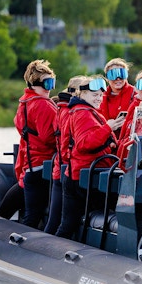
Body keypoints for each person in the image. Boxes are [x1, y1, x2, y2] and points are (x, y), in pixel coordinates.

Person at [55, 76, 124, 240]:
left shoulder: (85, 112)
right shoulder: (83, 114)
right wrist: (109, 127)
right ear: (82, 94)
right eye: (94, 95)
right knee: (67, 225)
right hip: (83, 179)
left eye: (101, 95)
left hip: (81, 176)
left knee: (68, 224)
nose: (99, 98)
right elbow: (85, 143)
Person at [13, 59, 58, 229]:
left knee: (31, 213)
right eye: (47, 83)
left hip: (31, 165)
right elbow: (49, 137)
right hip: (42, 167)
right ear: (34, 84)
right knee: (33, 216)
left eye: (52, 82)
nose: (49, 89)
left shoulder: (25, 102)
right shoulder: (41, 105)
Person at [43, 75, 86, 234]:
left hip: (60, 167)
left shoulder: (61, 109)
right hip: (65, 168)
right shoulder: (70, 113)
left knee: (56, 219)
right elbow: (70, 142)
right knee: (60, 221)